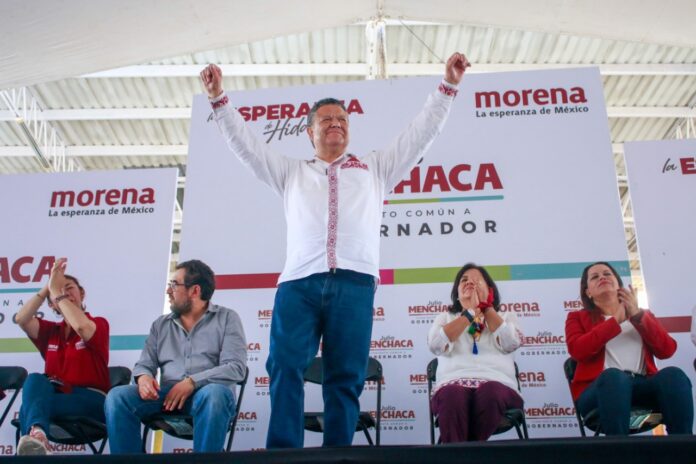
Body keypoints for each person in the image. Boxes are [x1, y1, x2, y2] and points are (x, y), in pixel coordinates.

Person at [200, 52, 470, 448]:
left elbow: (420, 133)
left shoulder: (375, 168)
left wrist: (448, 86)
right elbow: (247, 146)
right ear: (309, 132)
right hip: (298, 284)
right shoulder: (291, 173)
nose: (336, 124)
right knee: (284, 366)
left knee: (345, 375)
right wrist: (218, 99)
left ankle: (338, 455)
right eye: (326, 119)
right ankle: (284, 454)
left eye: (342, 119)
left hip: (355, 283)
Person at [104, 259, 247, 453]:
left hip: (207, 397)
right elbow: (144, 364)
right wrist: (143, 377)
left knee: (215, 394)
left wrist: (192, 382)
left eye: (174, 285)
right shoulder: (160, 325)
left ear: (195, 291)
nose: (168, 291)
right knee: (118, 397)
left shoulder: (227, 318)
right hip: (167, 398)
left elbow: (235, 368)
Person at [565, 261, 693, 435]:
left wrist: (638, 315)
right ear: (588, 292)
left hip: (643, 385)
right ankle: (619, 449)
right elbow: (578, 351)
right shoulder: (577, 317)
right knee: (614, 377)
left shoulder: (642, 314)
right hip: (600, 391)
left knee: (673, 375)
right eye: (595, 277)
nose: (602, 277)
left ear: (618, 285)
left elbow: (667, 350)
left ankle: (682, 446)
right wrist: (614, 321)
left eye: (607, 274)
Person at [15, 258, 110, 455]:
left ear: (82, 293)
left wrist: (56, 291)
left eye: (69, 288)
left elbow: (81, 327)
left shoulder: (98, 323)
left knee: (29, 409)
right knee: (34, 379)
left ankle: (35, 444)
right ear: (51, 305)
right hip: (57, 395)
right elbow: (21, 319)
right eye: (59, 290)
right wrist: (47, 287)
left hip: (92, 400)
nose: (65, 293)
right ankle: (39, 437)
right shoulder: (51, 331)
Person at [427, 263, 523, 442]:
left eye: (477, 281)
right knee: (452, 395)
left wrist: (486, 308)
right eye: (464, 280)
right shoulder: (445, 318)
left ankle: (461, 453)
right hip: (452, 385)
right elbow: (435, 345)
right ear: (457, 293)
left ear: (490, 290)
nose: (469, 283)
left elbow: (511, 343)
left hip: (498, 387)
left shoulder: (506, 317)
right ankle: (469, 453)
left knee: (490, 391)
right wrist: (470, 314)